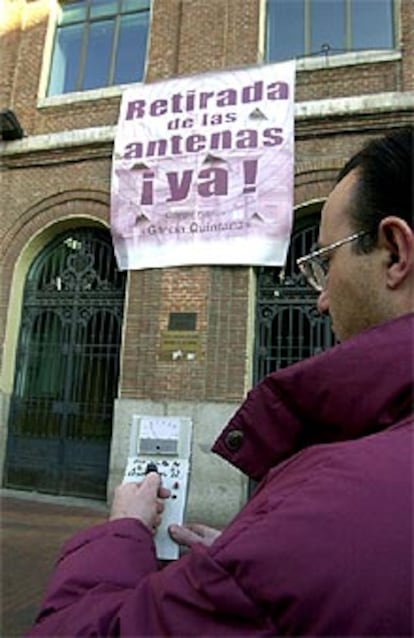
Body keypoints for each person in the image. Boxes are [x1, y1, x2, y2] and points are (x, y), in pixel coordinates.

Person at [26, 127, 413, 637]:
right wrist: (242, 566)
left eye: (324, 261)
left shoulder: (334, 510)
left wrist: (122, 532)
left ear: (394, 252)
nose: (319, 299)